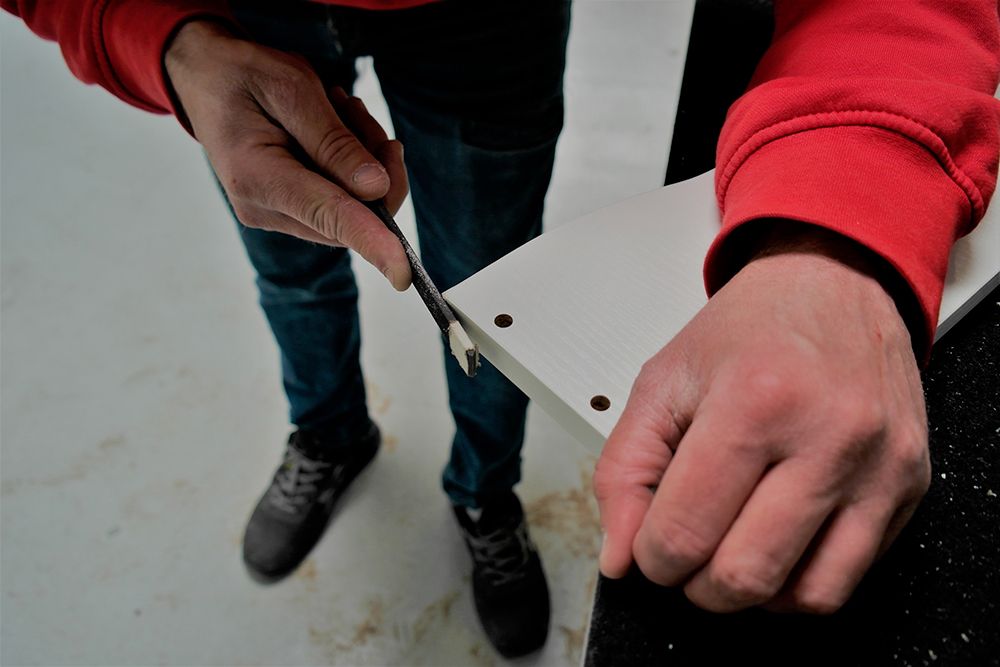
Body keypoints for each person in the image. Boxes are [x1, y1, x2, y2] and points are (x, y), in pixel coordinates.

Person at [5, 0, 998, 658]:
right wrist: (155, 32)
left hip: (484, 20)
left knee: (489, 297)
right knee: (294, 271)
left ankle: (483, 494)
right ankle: (329, 435)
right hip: (233, 14)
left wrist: (843, 220)